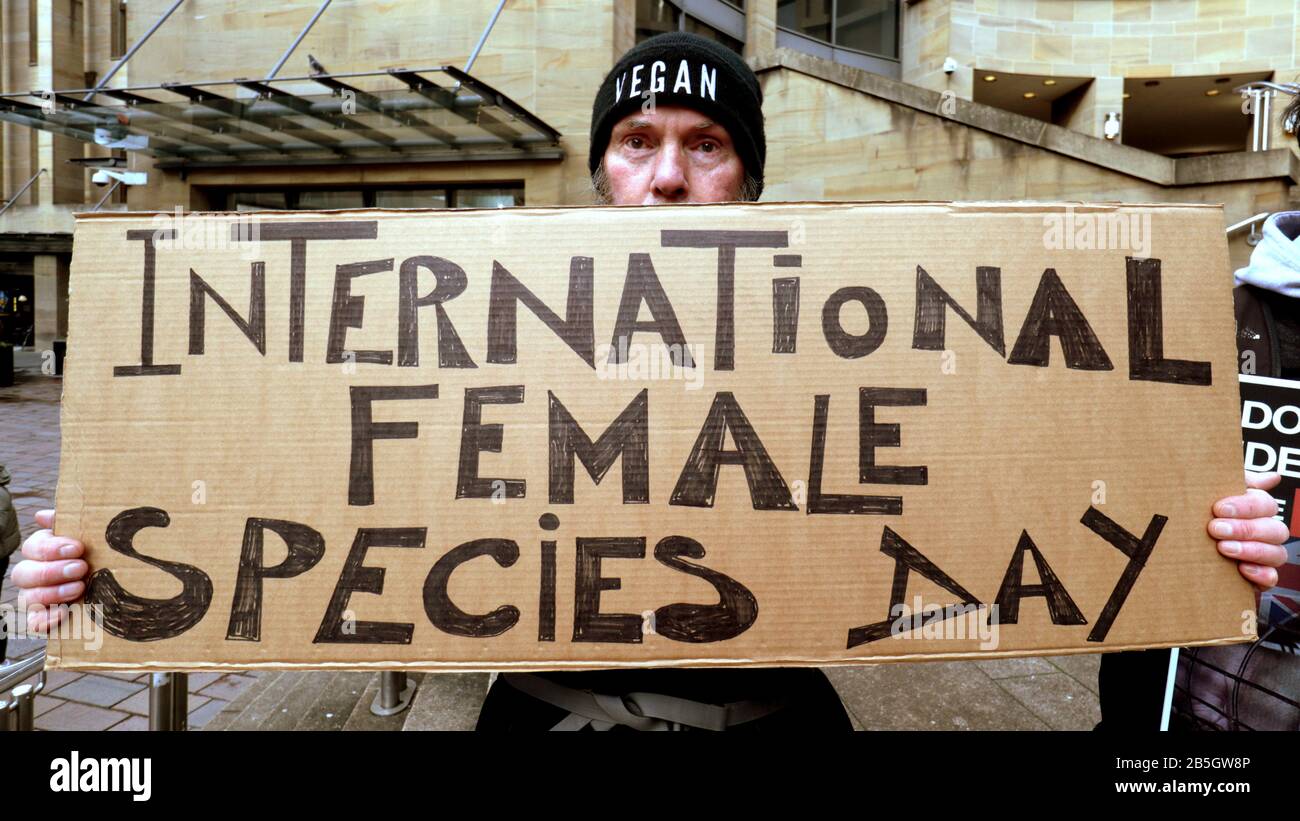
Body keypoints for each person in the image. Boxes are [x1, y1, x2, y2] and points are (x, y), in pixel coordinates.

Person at [15, 33, 1292, 731]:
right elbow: (272, 470)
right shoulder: (502, 337)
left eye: (705, 147)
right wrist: (91, 572)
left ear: (748, 180)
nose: (669, 177)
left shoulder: (858, 330)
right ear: (600, 174)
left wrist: (1203, 545)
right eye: (636, 146)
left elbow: (1038, 467)